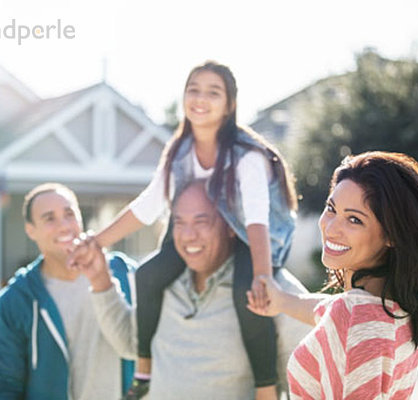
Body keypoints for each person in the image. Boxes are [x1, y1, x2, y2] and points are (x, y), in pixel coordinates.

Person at [70, 61, 298, 399]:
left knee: (248, 296)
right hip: (206, 232)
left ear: (229, 105)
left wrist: (263, 276)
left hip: (256, 239)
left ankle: (265, 388)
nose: (200, 98)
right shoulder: (180, 152)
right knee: (147, 275)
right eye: (193, 89)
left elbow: (256, 220)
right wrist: (96, 241)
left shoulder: (246, 155)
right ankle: (144, 371)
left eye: (213, 92)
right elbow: (148, 206)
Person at [76, 180, 310, 399]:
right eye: (180, 222)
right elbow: (131, 345)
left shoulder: (272, 291)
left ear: (231, 226)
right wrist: (100, 280)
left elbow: (315, 381)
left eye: (201, 222)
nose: (188, 236)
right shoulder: (161, 283)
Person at [248, 151, 418, 399]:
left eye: (354, 219)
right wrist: (279, 300)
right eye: (331, 209)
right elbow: (326, 309)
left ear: (392, 235)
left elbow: (346, 318)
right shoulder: (396, 309)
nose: (330, 227)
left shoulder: (355, 318)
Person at [0, 183, 137, 400]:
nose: (64, 226)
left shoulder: (126, 275)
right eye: (49, 218)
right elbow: (6, 387)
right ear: (31, 230)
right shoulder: (15, 301)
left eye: (70, 214)